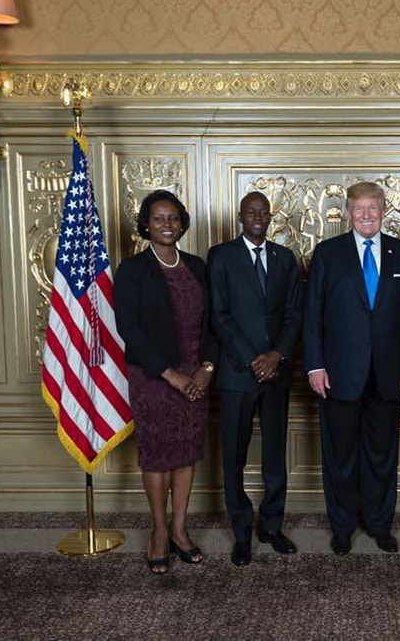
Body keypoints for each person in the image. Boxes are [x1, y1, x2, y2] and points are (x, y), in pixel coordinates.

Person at [303, 181, 400, 555]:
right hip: (339, 373)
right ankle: (341, 527)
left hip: (389, 373)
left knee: (382, 455)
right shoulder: (328, 253)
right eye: (359, 209)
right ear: (348, 213)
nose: (366, 215)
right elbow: (312, 315)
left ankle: (379, 524)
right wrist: (315, 366)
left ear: (383, 211)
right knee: (340, 455)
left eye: (373, 208)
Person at [113, 190, 218, 574]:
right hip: (154, 378)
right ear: (146, 224)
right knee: (158, 457)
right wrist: (172, 375)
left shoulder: (197, 266)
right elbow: (129, 329)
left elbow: (213, 320)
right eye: (158, 219)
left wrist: (206, 368)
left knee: (186, 453)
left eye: (173, 218)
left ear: (182, 223)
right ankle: (159, 532)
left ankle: (179, 530)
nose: (167, 225)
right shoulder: (132, 270)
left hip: (196, 377)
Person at [208, 191, 303, 567]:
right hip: (237, 374)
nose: (258, 217)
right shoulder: (221, 256)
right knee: (234, 455)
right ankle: (242, 532)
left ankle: (272, 526)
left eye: (263, 212)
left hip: (276, 374)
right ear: (240, 216)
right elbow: (219, 315)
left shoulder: (285, 258)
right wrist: (253, 359)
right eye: (251, 212)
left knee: (275, 455)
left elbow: (295, 313)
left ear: (270, 216)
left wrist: (276, 355)